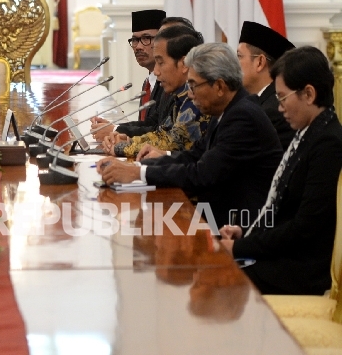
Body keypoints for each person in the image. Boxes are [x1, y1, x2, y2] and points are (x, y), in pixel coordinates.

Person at [97, 43, 282, 228]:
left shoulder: (243, 117)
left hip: (240, 227)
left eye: (193, 86)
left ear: (219, 86)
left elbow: (202, 174)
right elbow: (194, 155)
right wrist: (137, 166)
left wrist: (137, 173)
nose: (191, 96)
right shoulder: (228, 110)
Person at [219, 47, 342, 295]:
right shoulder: (309, 134)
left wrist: (241, 248)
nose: (280, 107)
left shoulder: (328, 143)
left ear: (308, 94)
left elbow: (304, 227)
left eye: (283, 98)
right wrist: (246, 232)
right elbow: (283, 208)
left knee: (217, 279)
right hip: (285, 256)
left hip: (302, 270)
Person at [102, 25, 209, 158]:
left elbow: (173, 142)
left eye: (160, 63)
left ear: (184, 63)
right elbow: (162, 133)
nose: (156, 71)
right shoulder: (181, 96)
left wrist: (122, 147)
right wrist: (129, 140)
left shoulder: (198, 98)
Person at [91, 9, 165, 140]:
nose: (138, 47)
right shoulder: (148, 82)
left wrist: (115, 129)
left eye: (146, 38)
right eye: (135, 40)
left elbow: (158, 129)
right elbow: (148, 124)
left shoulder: (168, 84)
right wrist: (115, 127)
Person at [237, 21, 296, 150]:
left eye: (239, 56)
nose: (235, 64)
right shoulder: (256, 102)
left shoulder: (273, 111)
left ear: (260, 62)